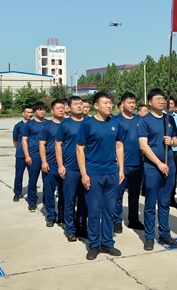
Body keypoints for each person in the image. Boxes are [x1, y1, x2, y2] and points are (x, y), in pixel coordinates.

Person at [76, 92, 125, 260]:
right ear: (96, 106)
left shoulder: (115, 123)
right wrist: (84, 173)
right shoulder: (87, 124)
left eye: (110, 103)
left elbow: (119, 146)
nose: (109, 105)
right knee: (94, 210)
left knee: (110, 210)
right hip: (94, 173)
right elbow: (80, 149)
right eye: (105, 103)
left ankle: (107, 242)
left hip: (112, 172)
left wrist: (121, 169)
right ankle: (94, 244)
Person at [138, 89, 177, 250]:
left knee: (165, 202)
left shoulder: (169, 119)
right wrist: (158, 163)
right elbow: (144, 146)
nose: (162, 101)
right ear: (150, 102)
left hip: (169, 164)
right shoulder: (145, 121)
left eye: (163, 99)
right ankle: (149, 236)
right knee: (150, 203)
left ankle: (165, 234)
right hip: (152, 167)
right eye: (158, 99)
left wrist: (172, 142)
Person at [56, 96, 87, 241]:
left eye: (81, 103)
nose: (79, 106)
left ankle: (81, 227)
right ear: (69, 107)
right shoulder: (65, 124)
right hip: (70, 168)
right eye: (75, 104)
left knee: (84, 200)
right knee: (69, 199)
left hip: (86, 168)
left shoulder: (89, 122)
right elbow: (58, 145)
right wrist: (61, 165)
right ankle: (70, 229)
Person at [112, 92, 144, 233]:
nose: (132, 105)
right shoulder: (115, 120)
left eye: (133, 102)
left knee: (134, 194)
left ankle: (133, 220)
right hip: (121, 165)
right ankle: (116, 221)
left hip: (137, 163)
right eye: (129, 102)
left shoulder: (139, 120)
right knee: (118, 195)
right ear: (122, 103)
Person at [39, 99, 66, 227]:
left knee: (64, 192)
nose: (61, 110)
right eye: (58, 108)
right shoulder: (47, 126)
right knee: (49, 191)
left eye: (62, 108)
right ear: (52, 110)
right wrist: (44, 161)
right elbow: (42, 144)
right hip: (51, 163)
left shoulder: (68, 124)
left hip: (66, 163)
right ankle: (50, 215)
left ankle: (62, 215)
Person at [21, 102, 47, 211]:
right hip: (34, 155)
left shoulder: (48, 123)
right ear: (35, 111)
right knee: (33, 180)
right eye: (39, 110)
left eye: (43, 109)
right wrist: (27, 155)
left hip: (47, 156)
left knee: (47, 181)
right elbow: (24, 140)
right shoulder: (29, 124)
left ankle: (46, 202)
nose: (42, 112)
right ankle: (32, 202)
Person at [12, 105, 33, 202]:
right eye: (28, 112)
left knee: (32, 175)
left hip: (32, 154)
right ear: (23, 113)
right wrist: (19, 148)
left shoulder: (34, 124)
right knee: (19, 174)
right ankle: (17, 192)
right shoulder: (18, 126)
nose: (29, 114)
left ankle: (31, 194)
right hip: (20, 155)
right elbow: (15, 139)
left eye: (31, 112)